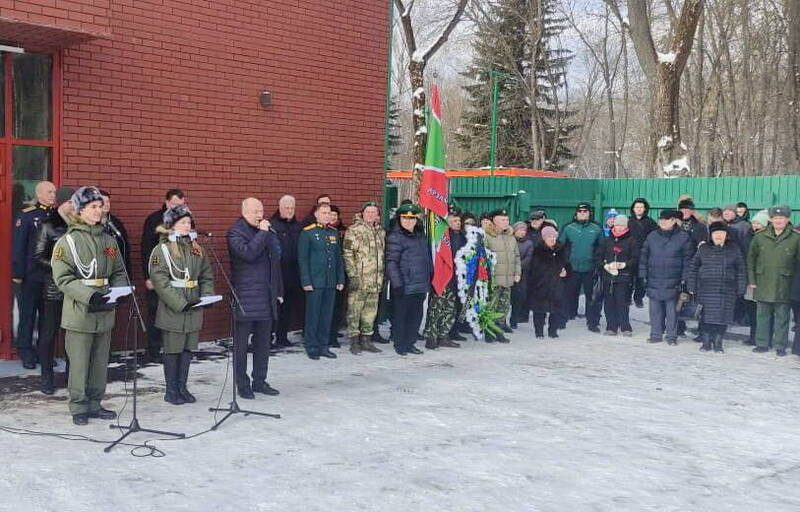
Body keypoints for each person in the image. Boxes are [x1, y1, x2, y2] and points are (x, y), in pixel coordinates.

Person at [51, 186, 125, 425]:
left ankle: (95, 402)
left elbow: (119, 270)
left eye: (100, 206)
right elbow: (63, 278)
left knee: (99, 362)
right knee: (80, 362)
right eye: (93, 207)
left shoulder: (108, 239)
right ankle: (79, 406)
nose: (98, 210)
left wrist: (117, 292)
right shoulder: (68, 242)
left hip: (104, 309)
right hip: (80, 311)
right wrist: (89, 296)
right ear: (80, 211)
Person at [149, 205, 215, 404]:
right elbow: (160, 280)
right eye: (182, 222)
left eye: (188, 222)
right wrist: (179, 303)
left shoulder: (197, 249)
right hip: (173, 308)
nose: (187, 226)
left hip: (193, 305)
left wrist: (207, 296)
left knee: (187, 349)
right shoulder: (162, 250)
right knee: (173, 349)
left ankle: (182, 386)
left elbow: (206, 275)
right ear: (171, 225)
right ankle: (171, 390)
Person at [227, 198, 283, 398]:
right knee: (241, 346)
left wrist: (278, 291)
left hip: (266, 297)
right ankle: (242, 385)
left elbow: (276, 259)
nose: (259, 214)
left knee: (263, 344)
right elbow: (248, 254)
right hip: (245, 298)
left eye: (261, 210)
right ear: (244, 212)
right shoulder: (235, 232)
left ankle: (260, 380)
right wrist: (263, 233)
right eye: (254, 211)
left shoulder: (266, 231)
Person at [32, 186, 75, 394]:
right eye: (72, 203)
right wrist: (61, 267)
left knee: (73, 336)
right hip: (54, 289)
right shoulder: (48, 224)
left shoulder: (79, 225)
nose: (75, 207)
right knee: (49, 335)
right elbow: (38, 256)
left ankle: (71, 376)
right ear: (64, 203)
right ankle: (47, 378)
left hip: (75, 291)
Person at [13, 180, 56, 368]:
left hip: (51, 276)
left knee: (48, 318)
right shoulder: (28, 215)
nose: (53, 195)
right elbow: (19, 245)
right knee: (28, 315)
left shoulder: (57, 216)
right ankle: (26, 353)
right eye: (49, 192)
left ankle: (43, 353)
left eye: (54, 192)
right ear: (38, 194)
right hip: (31, 275)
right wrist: (18, 272)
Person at [747, 206, 800, 356]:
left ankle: (780, 346)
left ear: (787, 219)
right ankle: (762, 343)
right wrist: (752, 280)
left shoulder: (796, 238)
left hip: (785, 283)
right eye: (775, 218)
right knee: (762, 315)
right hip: (762, 281)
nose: (778, 220)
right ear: (770, 219)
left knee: (782, 316)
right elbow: (751, 259)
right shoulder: (760, 236)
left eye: (782, 218)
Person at [141, 189, 187, 362]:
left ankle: (173, 348)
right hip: (158, 273)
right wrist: (148, 276)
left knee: (175, 310)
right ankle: (154, 349)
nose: (178, 209)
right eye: (175, 205)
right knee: (155, 311)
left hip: (179, 274)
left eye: (181, 205)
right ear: (167, 202)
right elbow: (146, 249)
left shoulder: (186, 221)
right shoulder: (154, 220)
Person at [687, 222, 746, 353]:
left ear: (726, 235)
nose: (719, 236)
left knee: (722, 318)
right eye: (716, 233)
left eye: (722, 233)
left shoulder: (734, 249)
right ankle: (706, 342)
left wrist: (741, 288)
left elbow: (741, 270)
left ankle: (718, 343)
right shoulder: (703, 249)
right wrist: (691, 286)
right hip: (706, 290)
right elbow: (693, 268)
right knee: (706, 318)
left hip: (727, 291)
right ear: (711, 235)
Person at [298, 203, 345, 360]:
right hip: (315, 281)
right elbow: (303, 259)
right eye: (323, 213)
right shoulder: (308, 233)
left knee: (326, 315)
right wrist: (306, 280)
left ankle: (323, 346)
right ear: (316, 215)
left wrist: (340, 278)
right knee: (313, 315)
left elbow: (338, 258)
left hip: (330, 281)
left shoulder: (333, 232)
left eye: (328, 213)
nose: (326, 215)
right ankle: (311, 346)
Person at [639, 210, 692, 345]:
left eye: (666, 219)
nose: (662, 222)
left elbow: (688, 261)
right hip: (654, 279)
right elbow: (644, 257)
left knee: (672, 312)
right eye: (661, 219)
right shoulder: (652, 236)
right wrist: (643, 275)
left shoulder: (683, 237)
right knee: (655, 311)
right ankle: (655, 334)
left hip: (674, 281)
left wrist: (684, 279)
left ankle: (671, 336)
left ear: (674, 221)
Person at [386, 204, 431, 355]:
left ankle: (410, 342)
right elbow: (391, 262)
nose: (408, 221)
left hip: (420, 284)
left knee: (415, 316)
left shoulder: (420, 235)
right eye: (405, 218)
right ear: (399, 219)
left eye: (411, 218)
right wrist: (397, 284)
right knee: (401, 317)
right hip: (404, 285)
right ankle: (400, 345)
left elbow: (426, 258)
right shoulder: (395, 237)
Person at [343, 202, 386, 355]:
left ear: (377, 215)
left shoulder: (380, 232)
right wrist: (352, 275)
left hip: (375, 280)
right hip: (360, 279)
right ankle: (354, 341)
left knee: (370, 312)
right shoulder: (354, 230)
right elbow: (348, 254)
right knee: (355, 311)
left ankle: (366, 340)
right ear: (362, 213)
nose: (371, 215)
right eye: (368, 212)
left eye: (374, 212)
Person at [422, 206, 467, 350]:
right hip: (442, 277)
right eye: (454, 219)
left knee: (450, 309)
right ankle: (431, 336)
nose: (457, 222)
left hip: (455, 279)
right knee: (436, 308)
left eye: (459, 220)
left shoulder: (462, 237)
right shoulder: (440, 236)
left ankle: (444, 335)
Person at [559, 202, 603, 332]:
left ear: (590, 213)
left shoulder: (596, 229)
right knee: (567, 295)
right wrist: (561, 265)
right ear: (576, 213)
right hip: (571, 268)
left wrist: (598, 264)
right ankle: (563, 319)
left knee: (592, 297)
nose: (582, 214)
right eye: (580, 211)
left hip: (590, 268)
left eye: (585, 211)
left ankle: (593, 323)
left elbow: (602, 248)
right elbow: (560, 247)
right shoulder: (568, 228)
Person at [596, 215, 639, 336]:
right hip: (608, 276)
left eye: (622, 226)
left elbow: (635, 258)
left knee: (622, 302)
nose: (619, 228)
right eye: (618, 225)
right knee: (609, 302)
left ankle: (625, 326)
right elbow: (598, 257)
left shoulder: (631, 241)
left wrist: (624, 264)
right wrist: (604, 266)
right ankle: (611, 326)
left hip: (623, 277)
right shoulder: (606, 240)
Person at [270, 195, 303, 348]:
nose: (290, 211)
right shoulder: (273, 225)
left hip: (293, 274)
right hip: (278, 274)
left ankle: (282, 336)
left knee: (287, 308)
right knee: (274, 307)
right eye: (286, 208)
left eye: (292, 208)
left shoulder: (298, 226)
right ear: (280, 208)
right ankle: (269, 336)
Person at [528, 226, 570, 339]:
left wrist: (566, 273)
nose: (552, 239)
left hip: (557, 285)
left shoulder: (561, 250)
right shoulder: (537, 251)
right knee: (539, 310)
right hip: (541, 285)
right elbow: (532, 268)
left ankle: (553, 331)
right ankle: (539, 331)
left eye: (554, 236)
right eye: (549, 237)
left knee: (556, 310)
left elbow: (568, 266)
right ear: (544, 238)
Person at [484, 209, 521, 336]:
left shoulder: (511, 237)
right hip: (493, 280)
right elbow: (483, 260)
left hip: (508, 279)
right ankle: (489, 332)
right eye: (502, 220)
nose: (506, 222)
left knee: (504, 306)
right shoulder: (487, 236)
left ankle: (499, 330)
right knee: (491, 306)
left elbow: (516, 257)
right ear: (494, 221)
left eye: (507, 220)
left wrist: (517, 272)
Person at [628, 198, 658, 308]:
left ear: (645, 209)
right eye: (637, 207)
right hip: (630, 254)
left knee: (641, 278)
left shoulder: (650, 222)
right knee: (628, 276)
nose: (639, 209)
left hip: (644, 254)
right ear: (633, 209)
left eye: (641, 207)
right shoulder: (628, 221)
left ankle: (638, 298)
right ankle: (627, 297)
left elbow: (655, 236)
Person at [99, 190, 132, 277]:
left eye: (108, 201)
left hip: (116, 271)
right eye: (103, 201)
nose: (106, 204)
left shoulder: (116, 223)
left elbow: (125, 248)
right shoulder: (90, 223)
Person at [327, 205, 347, 348]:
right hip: (326, 276)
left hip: (340, 274)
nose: (333, 217)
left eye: (335, 215)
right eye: (330, 214)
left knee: (337, 308)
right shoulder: (321, 231)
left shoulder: (344, 231)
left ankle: (333, 335)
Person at [510, 221, 533, 328]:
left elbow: (528, 258)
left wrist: (517, 268)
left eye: (524, 230)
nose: (522, 232)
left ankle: (514, 320)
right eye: (520, 229)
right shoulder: (509, 240)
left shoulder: (529, 243)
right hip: (508, 272)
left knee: (519, 298)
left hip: (522, 275)